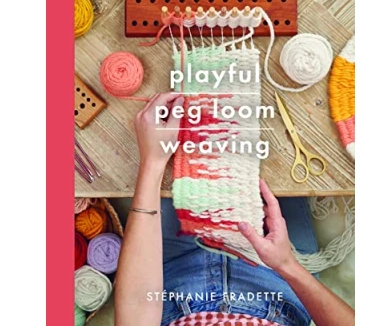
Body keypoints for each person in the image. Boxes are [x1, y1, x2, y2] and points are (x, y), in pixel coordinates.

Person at [115, 93, 355, 326]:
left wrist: (153, 162)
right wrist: (286, 264)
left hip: (171, 276)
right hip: (279, 274)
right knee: (284, 125)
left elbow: (137, 307)